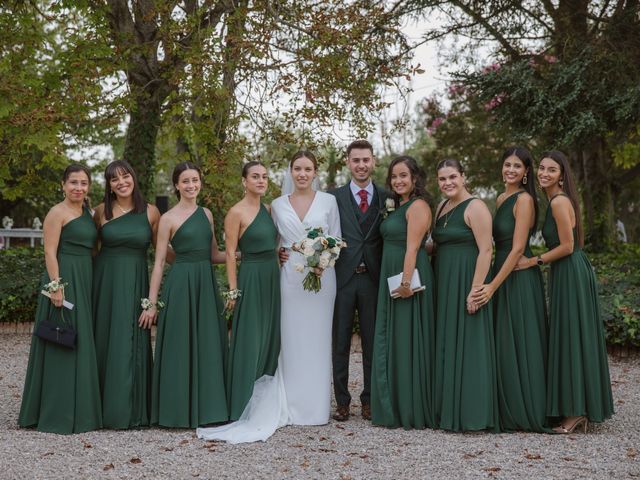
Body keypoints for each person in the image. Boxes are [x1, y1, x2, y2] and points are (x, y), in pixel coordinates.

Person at [197, 150, 341, 443]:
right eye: (297, 168)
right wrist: (280, 252)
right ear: (290, 172)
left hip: (322, 277)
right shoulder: (275, 205)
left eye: (308, 169)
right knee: (288, 340)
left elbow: (336, 239)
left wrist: (323, 260)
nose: (302, 174)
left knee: (318, 339)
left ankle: (316, 407)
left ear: (315, 172)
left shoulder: (329, 201)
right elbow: (267, 241)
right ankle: (290, 402)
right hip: (287, 278)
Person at [516, 150, 614, 433]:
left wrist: (532, 261)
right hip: (566, 271)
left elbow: (568, 246)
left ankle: (575, 412)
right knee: (570, 335)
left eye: (552, 170)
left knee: (571, 336)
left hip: (570, 270)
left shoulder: (559, 202)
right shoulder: (555, 201)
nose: (544, 174)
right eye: (542, 169)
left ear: (562, 176)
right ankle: (575, 407)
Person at [141, 161, 229, 428]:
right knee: (180, 345)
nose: (192, 185)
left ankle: (208, 410)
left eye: (195, 180)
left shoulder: (207, 214)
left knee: (208, 343)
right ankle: (176, 411)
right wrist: (151, 303)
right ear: (177, 185)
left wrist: (242, 255)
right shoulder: (167, 219)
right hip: (180, 285)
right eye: (186, 181)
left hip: (205, 284)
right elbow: (158, 263)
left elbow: (213, 255)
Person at [19, 163, 102, 434]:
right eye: (73, 183)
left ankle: (83, 409)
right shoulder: (57, 212)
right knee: (61, 340)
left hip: (85, 277)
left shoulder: (89, 213)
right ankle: (57, 412)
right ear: (63, 185)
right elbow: (49, 252)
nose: (79, 188)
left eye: (84, 183)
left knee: (81, 338)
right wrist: (56, 286)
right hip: (64, 278)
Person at [471, 147, 549, 432]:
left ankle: (526, 408)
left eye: (517, 166)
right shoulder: (502, 197)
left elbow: (517, 249)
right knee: (503, 340)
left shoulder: (525, 199)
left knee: (521, 340)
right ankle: (505, 408)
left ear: (526, 171)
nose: (511, 170)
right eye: (507, 164)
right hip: (499, 272)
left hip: (516, 276)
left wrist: (491, 286)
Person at [92, 160, 161, 429]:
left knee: (130, 342)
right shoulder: (99, 212)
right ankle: (99, 408)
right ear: (108, 185)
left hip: (135, 285)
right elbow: (89, 251)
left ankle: (131, 410)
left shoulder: (151, 213)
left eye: (125, 176)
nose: (121, 182)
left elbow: (162, 254)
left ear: (134, 177)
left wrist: (205, 258)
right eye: (114, 179)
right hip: (104, 284)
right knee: (103, 340)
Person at [432, 159, 499, 432]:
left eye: (452, 177)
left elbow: (486, 250)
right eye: (442, 179)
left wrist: (476, 289)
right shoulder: (441, 207)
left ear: (463, 177)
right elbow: (435, 244)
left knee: (470, 342)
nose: (447, 183)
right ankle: (446, 409)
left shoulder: (476, 207)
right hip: (443, 279)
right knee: (447, 341)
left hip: (466, 279)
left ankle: (472, 413)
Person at [370, 156, 435, 429]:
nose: (398, 181)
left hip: (407, 276)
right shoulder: (400, 205)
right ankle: (393, 404)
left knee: (408, 338)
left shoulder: (418, 206)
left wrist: (406, 283)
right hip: (393, 272)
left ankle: (410, 408)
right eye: (394, 176)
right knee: (395, 337)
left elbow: (413, 248)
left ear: (415, 178)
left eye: (403, 176)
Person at [329, 139, 389, 421]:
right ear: (347, 162)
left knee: (371, 342)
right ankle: (342, 401)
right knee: (339, 342)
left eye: (366, 160)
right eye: (356, 160)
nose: (361, 165)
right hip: (342, 279)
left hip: (373, 279)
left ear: (373, 161)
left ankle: (368, 400)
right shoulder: (333, 198)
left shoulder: (387, 197)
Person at [224, 161, 280, 421]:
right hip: (251, 277)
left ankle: (265, 400)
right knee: (250, 338)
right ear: (244, 181)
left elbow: (274, 244)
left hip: (272, 276)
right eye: (255, 177)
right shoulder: (236, 212)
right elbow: (230, 255)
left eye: (264, 177)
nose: (261, 181)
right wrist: (234, 290)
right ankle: (241, 403)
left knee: (270, 336)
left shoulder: (269, 209)